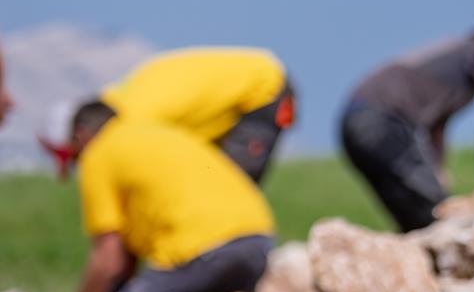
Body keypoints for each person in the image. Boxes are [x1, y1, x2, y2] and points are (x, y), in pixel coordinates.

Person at [64, 100, 275, 292]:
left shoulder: (98, 152)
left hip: (200, 249)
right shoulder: (161, 131)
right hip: (257, 238)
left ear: (81, 135)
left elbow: (109, 261)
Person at [42, 46, 295, 182]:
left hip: (263, 90)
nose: (85, 165)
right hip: (246, 90)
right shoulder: (120, 102)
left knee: (226, 192)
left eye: (76, 158)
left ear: (82, 135)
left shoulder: (132, 124)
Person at [339, 31, 474, 231]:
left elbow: (437, 126)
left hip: (353, 120)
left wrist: (437, 172)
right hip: (379, 118)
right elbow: (429, 129)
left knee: (413, 216)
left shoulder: (456, 55)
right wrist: (434, 186)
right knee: (436, 212)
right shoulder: (471, 59)